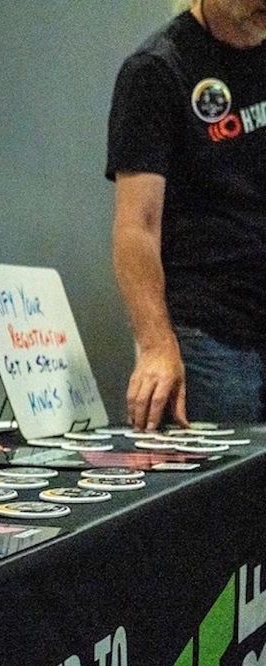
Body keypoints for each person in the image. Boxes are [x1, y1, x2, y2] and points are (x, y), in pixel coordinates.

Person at [107, 0, 266, 430]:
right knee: (228, 492)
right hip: (211, 339)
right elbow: (136, 226)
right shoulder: (157, 70)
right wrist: (156, 345)